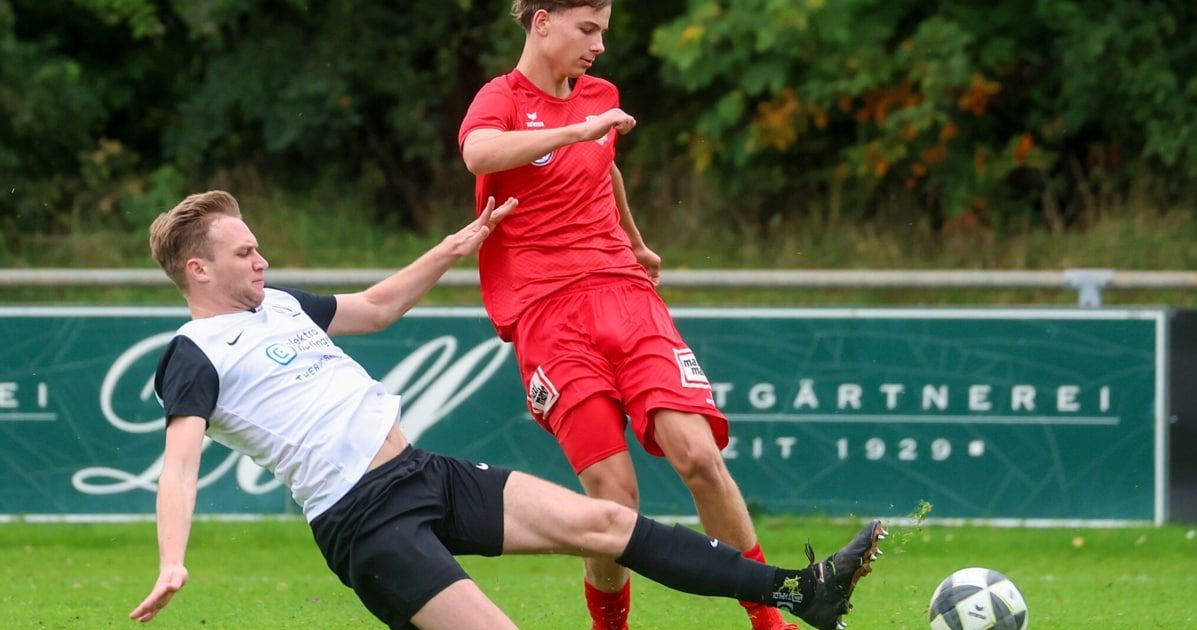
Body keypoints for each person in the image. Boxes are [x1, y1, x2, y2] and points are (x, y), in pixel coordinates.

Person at [129, 190, 887, 630]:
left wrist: (452, 248)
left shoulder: (282, 306)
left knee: (607, 524)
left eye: (259, 249)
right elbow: (181, 467)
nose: (262, 261)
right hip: (364, 523)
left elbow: (377, 307)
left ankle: (801, 592)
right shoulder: (194, 353)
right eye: (245, 255)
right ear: (198, 270)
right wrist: (172, 560)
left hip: (424, 474)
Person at [458, 2, 813, 629]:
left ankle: (770, 621)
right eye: (586, 30)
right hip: (547, 314)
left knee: (699, 459)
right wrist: (574, 130)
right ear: (542, 22)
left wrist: (636, 237)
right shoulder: (501, 98)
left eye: (603, 32)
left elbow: (605, 165)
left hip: (625, 293)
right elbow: (480, 154)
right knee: (614, 498)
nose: (598, 46)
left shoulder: (600, 95)